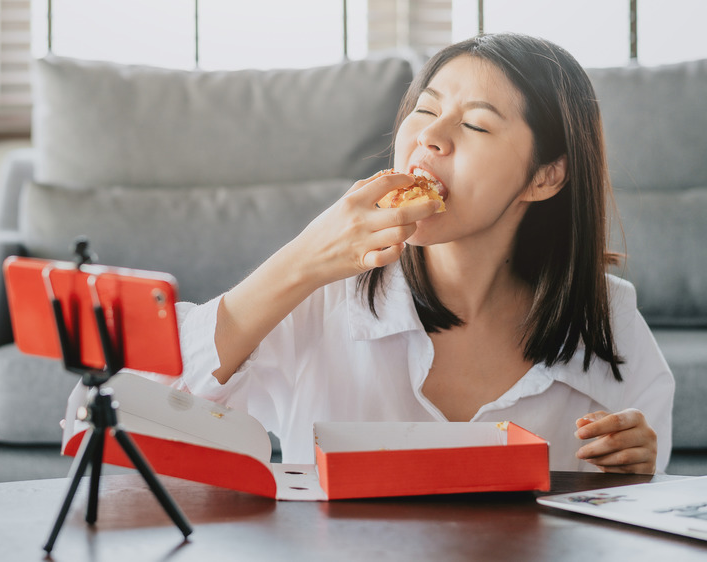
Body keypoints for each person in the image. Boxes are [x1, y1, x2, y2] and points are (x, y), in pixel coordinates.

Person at [171, 33, 674, 474]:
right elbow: (152, 404)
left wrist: (634, 470)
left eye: (476, 125)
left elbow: (633, 515)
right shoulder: (324, 292)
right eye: (427, 110)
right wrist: (303, 258)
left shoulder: (610, 317)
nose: (430, 137)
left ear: (545, 176)